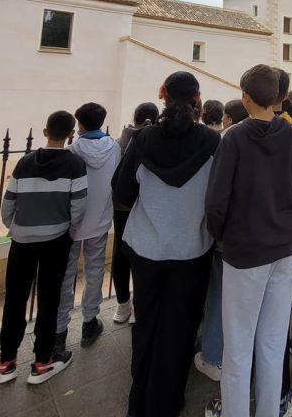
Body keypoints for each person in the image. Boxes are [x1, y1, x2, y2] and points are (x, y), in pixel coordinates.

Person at [205, 64, 292, 417]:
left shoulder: (234, 138)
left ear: (245, 96)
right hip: (284, 250)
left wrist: (222, 236)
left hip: (243, 253)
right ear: (279, 98)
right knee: (272, 341)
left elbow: (216, 201)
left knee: (238, 346)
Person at [113, 72, 220, 417]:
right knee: (180, 326)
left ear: (162, 94)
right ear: (198, 98)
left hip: (147, 248)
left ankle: (139, 395)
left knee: (147, 320)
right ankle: (167, 400)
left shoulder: (143, 140)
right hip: (192, 249)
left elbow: (122, 192)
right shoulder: (212, 142)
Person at [0, 110, 86, 385]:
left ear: (45, 131)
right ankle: (43, 360)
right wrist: (66, 228)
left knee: (15, 298)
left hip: (22, 240)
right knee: (49, 297)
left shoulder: (24, 163)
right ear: (71, 134)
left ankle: (6, 359)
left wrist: (20, 226)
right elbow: (78, 206)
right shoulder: (75, 164)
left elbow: (8, 205)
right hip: (56, 239)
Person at [55, 102, 119, 355]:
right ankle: (90, 321)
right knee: (95, 271)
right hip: (101, 220)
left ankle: (60, 329)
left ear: (79, 124)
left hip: (72, 223)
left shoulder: (72, 150)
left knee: (66, 274)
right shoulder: (114, 147)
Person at [196, 98, 251, 382]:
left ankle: (214, 355)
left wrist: (215, 230)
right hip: (263, 237)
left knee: (217, 294)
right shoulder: (285, 135)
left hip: (228, 234)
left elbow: (217, 195)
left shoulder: (229, 140)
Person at [112, 101, 158, 325]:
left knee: (120, 253)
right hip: (143, 204)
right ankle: (138, 304)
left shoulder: (121, 140)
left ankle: (122, 305)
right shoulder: (151, 139)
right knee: (141, 255)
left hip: (121, 205)